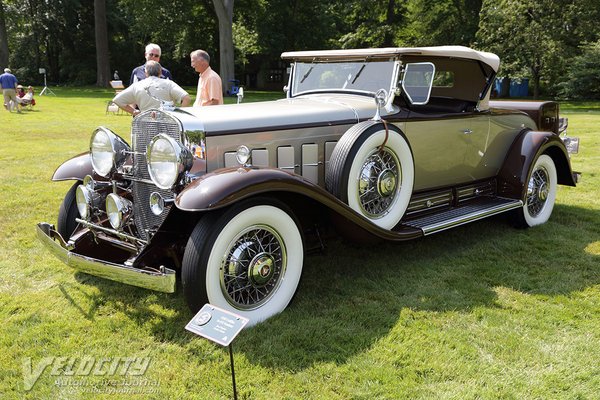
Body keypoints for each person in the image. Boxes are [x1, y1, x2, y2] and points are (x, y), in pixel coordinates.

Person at [113, 60, 190, 116]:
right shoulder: (169, 83)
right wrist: (179, 115)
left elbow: (117, 100)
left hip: (144, 122)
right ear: (160, 72)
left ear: (146, 72)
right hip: (167, 123)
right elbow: (186, 98)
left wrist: (134, 111)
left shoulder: (137, 85)